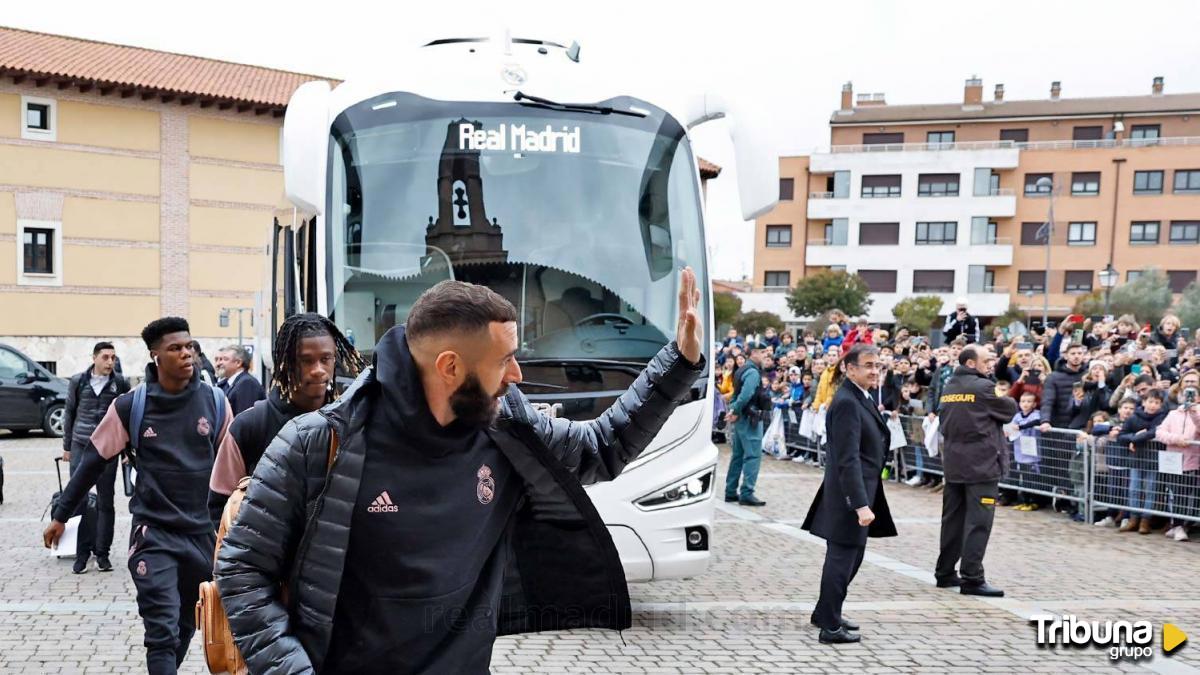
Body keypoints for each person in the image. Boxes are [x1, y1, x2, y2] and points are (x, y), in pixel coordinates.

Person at [215, 272, 705, 674]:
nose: (516, 375)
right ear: (450, 367)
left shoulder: (506, 427)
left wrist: (680, 363)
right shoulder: (317, 443)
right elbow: (242, 570)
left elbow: (602, 447)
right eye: (505, 360)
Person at [43, 317, 233, 675]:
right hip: (153, 535)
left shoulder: (217, 403)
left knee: (185, 625)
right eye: (175, 348)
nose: (186, 354)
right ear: (155, 355)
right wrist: (61, 514)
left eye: (189, 346)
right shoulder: (131, 406)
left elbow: (236, 470)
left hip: (202, 535)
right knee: (160, 630)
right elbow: (92, 462)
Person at [208, 313, 366, 523]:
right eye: (306, 361)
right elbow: (220, 507)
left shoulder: (352, 420)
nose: (318, 370)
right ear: (285, 363)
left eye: (325, 359)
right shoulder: (250, 425)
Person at [802, 345, 896, 644]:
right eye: (868, 365)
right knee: (842, 558)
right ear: (849, 368)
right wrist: (859, 504)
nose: (873, 370)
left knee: (851, 556)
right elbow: (847, 458)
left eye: (877, 365)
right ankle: (829, 627)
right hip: (849, 494)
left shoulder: (860, 397)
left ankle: (825, 611)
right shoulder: (846, 402)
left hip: (861, 488)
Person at [933, 345, 1018, 597]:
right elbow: (1008, 410)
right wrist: (1005, 394)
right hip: (981, 465)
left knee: (953, 521)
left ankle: (945, 571)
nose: (990, 364)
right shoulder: (982, 387)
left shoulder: (949, 387)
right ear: (971, 363)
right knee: (978, 522)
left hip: (955, 464)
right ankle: (972, 577)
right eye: (986, 360)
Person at [61, 341, 131, 573]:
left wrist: (126, 451)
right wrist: (67, 447)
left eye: (113, 357)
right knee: (78, 500)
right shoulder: (78, 381)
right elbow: (69, 413)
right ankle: (81, 554)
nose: (110, 362)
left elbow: (126, 419)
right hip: (81, 444)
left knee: (105, 501)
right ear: (94, 358)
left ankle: (102, 553)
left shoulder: (120, 383)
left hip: (108, 448)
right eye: (105, 357)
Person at [726, 340, 772, 506]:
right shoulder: (752, 372)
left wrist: (733, 410)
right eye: (762, 352)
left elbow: (736, 393)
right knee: (752, 455)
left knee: (737, 456)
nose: (765, 355)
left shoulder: (741, 369)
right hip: (749, 418)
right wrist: (736, 410)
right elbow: (745, 395)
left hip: (741, 418)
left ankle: (730, 491)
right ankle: (747, 492)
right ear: (753, 353)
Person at [1115, 389, 1168, 534]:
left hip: (1153, 460)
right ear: (1144, 402)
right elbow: (1121, 436)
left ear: (1161, 405)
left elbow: (1155, 432)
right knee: (1134, 490)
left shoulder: (1162, 417)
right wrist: (1133, 437)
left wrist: (1137, 439)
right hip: (1136, 459)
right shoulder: (1133, 418)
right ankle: (1133, 519)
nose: (1153, 405)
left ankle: (1145, 520)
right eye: (1150, 402)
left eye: (1157, 403)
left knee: (1150, 490)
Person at [1155, 382, 1199, 542]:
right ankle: (1177, 525)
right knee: (1175, 493)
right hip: (1172, 460)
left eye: (1193, 394)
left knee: (1187, 494)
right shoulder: (1173, 414)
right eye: (1186, 394)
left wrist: (1194, 411)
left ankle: (1182, 525)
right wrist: (1176, 439)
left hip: (1191, 460)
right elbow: (1160, 432)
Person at [216, 345, 266, 415]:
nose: (220, 363)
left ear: (238, 363)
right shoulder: (229, 383)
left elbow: (245, 418)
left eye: (225, 359)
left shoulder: (247, 383)